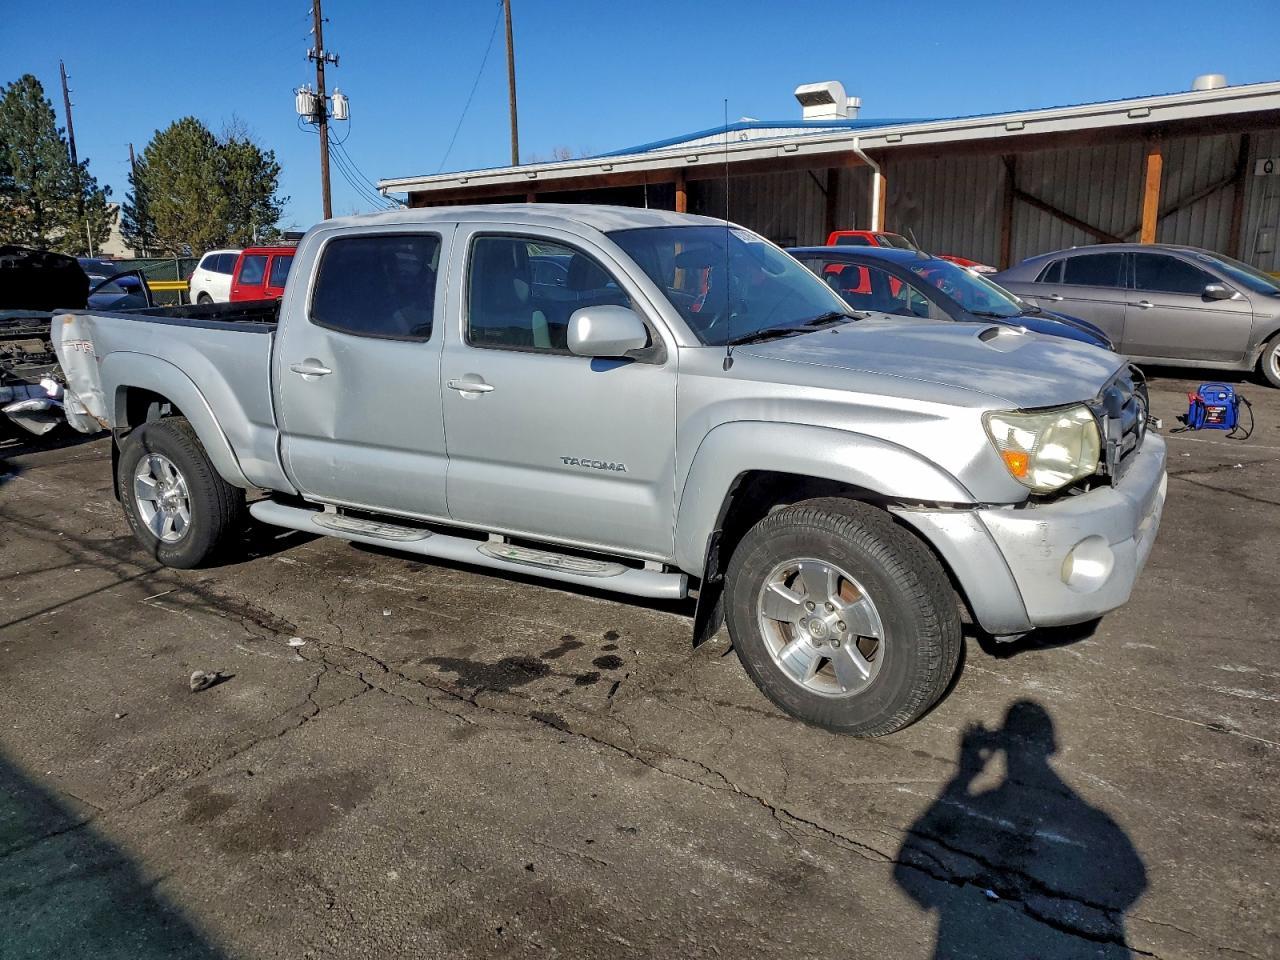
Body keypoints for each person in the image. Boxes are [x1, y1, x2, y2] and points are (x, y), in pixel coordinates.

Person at [894, 701, 1147, 959]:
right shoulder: (1093, 821)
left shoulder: (986, 804)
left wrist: (964, 776)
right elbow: (1134, 880)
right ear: (1051, 746)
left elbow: (907, 874)